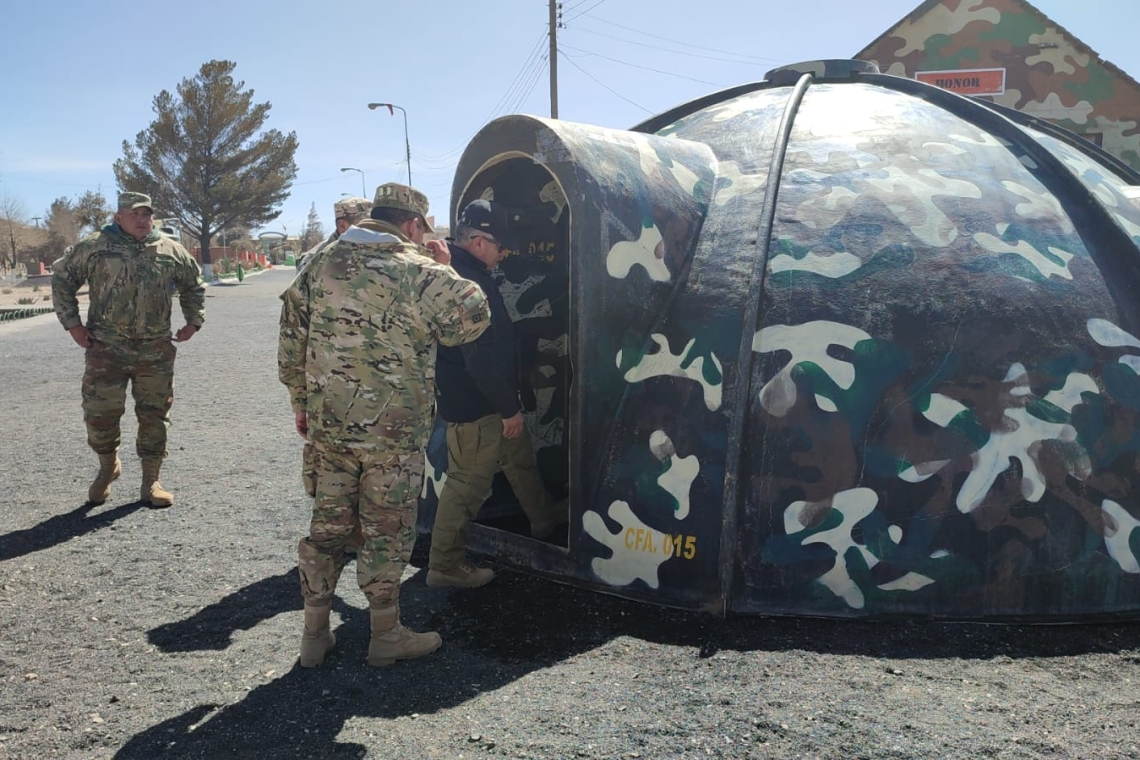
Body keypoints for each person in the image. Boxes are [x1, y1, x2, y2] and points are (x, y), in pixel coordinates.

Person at [278, 182, 490, 668]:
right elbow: (473, 318)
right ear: (412, 225)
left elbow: (291, 341)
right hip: (393, 434)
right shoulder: (418, 268)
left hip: (330, 427)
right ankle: (385, 636)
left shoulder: (319, 261)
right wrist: (444, 264)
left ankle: (314, 636)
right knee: (387, 530)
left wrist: (300, 403)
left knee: (327, 529)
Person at [427, 200, 567, 589]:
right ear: (478, 242)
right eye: (500, 246)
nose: (503, 254)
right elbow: (479, 356)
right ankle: (444, 564)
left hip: (489, 399)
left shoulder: (464, 271)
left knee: (518, 458)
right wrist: (508, 409)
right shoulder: (464, 281)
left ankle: (543, 518)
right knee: (466, 485)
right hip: (478, 405)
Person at [51, 191, 205, 508]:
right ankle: (108, 467)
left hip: (155, 349)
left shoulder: (169, 249)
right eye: (134, 214)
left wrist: (194, 320)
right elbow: (63, 279)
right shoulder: (95, 246)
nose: (141, 219)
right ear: (118, 217)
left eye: (146, 214)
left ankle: (151, 482)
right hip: (106, 348)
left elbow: (193, 284)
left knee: (154, 416)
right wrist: (72, 324)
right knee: (99, 415)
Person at [295, 196, 371, 271]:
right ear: (342, 226)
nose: (372, 229)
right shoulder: (316, 260)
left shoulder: (370, 248)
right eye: (364, 225)